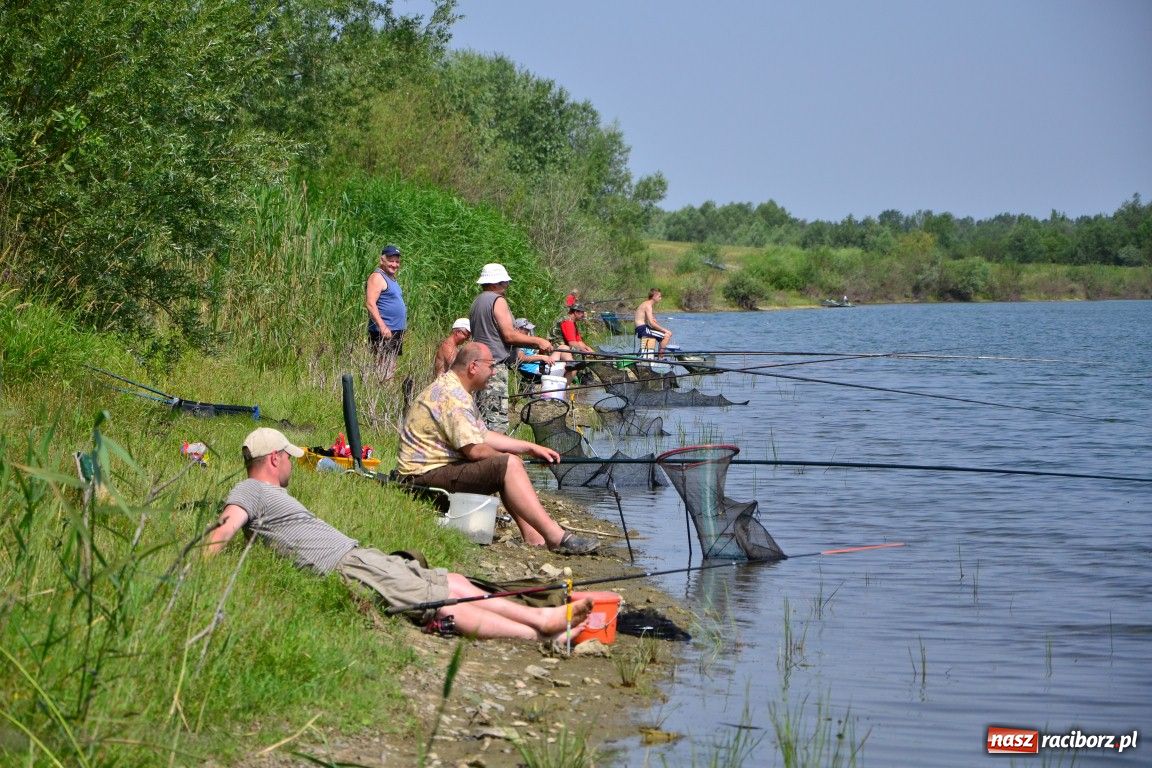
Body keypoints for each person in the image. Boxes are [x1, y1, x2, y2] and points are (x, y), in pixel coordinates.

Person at [208, 427, 593, 642]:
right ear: (274, 458)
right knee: (438, 600)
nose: (291, 462)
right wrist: (196, 571)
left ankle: (545, 619)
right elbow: (227, 525)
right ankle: (541, 630)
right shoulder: (249, 491)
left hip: (359, 556)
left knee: (452, 580)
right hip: (345, 567)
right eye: (288, 456)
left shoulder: (271, 493)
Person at [397, 342, 599, 556]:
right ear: (473, 366)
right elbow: (474, 451)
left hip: (433, 472)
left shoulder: (456, 389)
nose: (493, 372)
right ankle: (556, 537)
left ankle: (535, 537)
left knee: (507, 465)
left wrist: (530, 448)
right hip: (419, 481)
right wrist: (513, 462)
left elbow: (483, 435)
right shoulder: (452, 396)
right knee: (508, 465)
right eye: (491, 366)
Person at [468, 263, 554, 433]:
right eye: (504, 282)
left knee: (483, 420)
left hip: (478, 366)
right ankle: (497, 458)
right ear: (494, 283)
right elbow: (509, 335)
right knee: (496, 423)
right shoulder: (497, 301)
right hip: (493, 369)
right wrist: (538, 341)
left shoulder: (477, 302)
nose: (506, 286)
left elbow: (495, 336)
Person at [365, 244, 407, 381]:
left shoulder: (391, 279)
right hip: (384, 331)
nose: (394, 264)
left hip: (395, 330)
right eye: (391, 261)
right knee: (383, 368)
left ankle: (386, 393)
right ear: (382, 260)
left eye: (397, 261)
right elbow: (370, 304)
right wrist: (382, 326)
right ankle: (380, 392)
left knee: (391, 367)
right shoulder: (377, 277)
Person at [634, 288, 673, 357]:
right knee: (666, 336)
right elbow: (651, 323)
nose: (660, 298)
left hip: (642, 328)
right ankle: (661, 358)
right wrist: (665, 330)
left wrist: (653, 319)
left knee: (663, 335)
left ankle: (646, 355)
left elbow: (651, 321)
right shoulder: (648, 305)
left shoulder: (646, 304)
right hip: (643, 329)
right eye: (659, 296)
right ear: (654, 296)